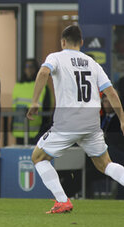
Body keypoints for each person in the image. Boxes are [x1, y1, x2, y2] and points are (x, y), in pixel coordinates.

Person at [27, 25, 124, 214]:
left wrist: (35, 101)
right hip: (92, 124)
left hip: (67, 123)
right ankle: (62, 201)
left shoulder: (55, 57)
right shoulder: (93, 63)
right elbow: (110, 92)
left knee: (38, 157)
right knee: (105, 164)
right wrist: (122, 119)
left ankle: (62, 201)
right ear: (81, 42)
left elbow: (43, 73)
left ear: (63, 42)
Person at [12, 59, 51, 145]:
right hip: (19, 131)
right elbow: (14, 108)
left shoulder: (43, 87)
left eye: (31, 67)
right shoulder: (18, 86)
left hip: (37, 132)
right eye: (27, 67)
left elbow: (47, 111)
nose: (29, 69)